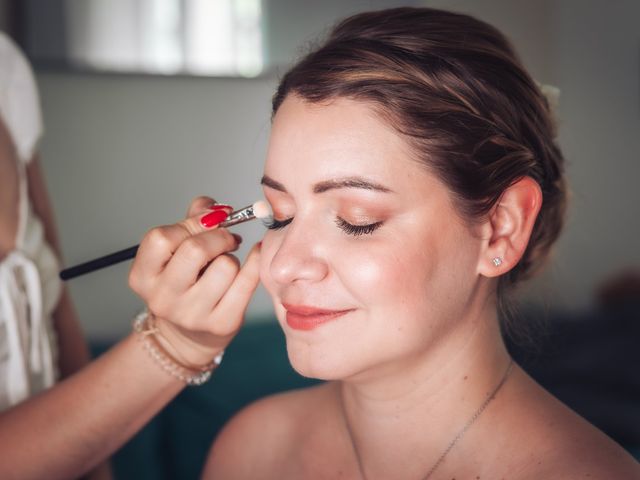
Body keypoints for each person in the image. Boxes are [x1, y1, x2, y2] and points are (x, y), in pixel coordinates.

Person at [130, 7, 640, 479]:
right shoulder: (253, 450)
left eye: (357, 220)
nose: (283, 267)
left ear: (499, 228)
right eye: (280, 217)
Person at [0, 32, 260, 480]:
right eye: (359, 219)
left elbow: (57, 317)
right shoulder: (255, 444)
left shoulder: (6, 71)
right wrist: (175, 345)